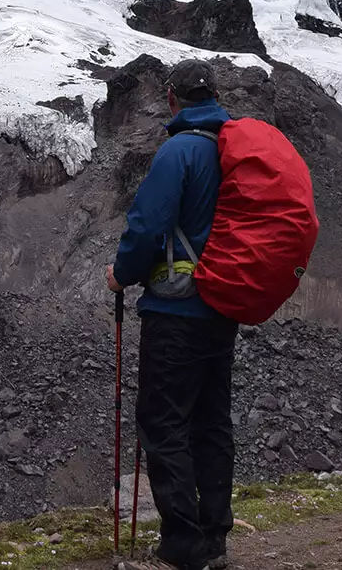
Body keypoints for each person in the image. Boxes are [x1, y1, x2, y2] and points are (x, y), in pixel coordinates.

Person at [106, 58, 236, 570]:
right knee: (210, 421)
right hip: (223, 307)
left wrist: (121, 273)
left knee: (164, 421)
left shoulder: (178, 151)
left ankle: (184, 550)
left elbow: (148, 225)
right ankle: (215, 540)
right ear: (215, 96)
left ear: (171, 98)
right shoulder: (231, 152)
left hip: (175, 308)